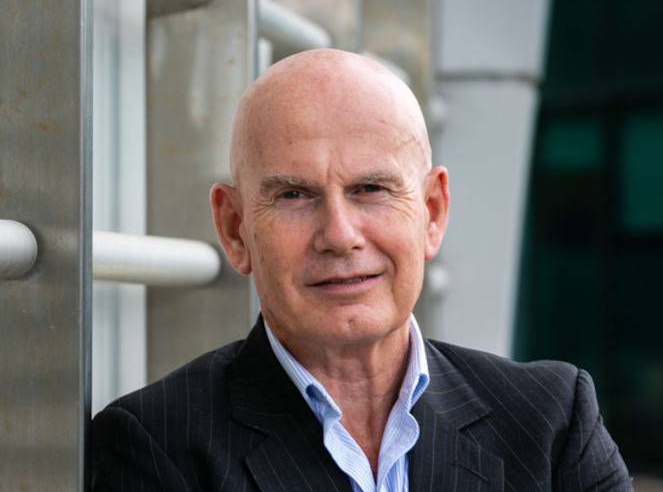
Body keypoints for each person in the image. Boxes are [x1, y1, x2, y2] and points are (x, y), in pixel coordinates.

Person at [92, 49, 633, 492]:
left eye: (370, 189)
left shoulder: (551, 421)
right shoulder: (156, 446)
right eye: (293, 194)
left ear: (432, 212)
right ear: (235, 230)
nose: (340, 234)